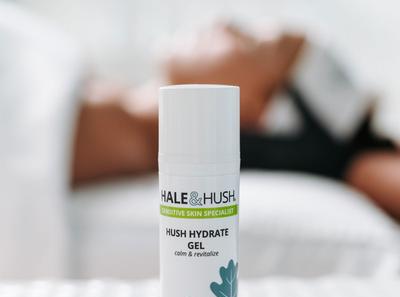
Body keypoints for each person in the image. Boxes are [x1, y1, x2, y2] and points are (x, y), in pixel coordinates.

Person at [73, 24, 400, 220]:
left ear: (253, 109)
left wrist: (352, 162)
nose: (224, 24)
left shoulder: (115, 130)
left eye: (251, 42)